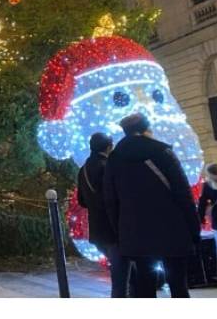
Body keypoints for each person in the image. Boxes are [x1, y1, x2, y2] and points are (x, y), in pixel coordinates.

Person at [103, 113, 200, 298]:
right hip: (172, 228)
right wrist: (193, 228)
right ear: (146, 129)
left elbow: (110, 200)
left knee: (145, 285)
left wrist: (120, 230)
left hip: (135, 232)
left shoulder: (114, 159)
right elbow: (183, 193)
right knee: (178, 285)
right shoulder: (162, 152)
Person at [77, 132, 131, 297]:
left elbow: (82, 201)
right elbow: (117, 196)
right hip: (114, 227)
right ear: (109, 147)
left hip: (97, 229)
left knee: (120, 271)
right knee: (121, 277)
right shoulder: (108, 166)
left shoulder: (83, 169)